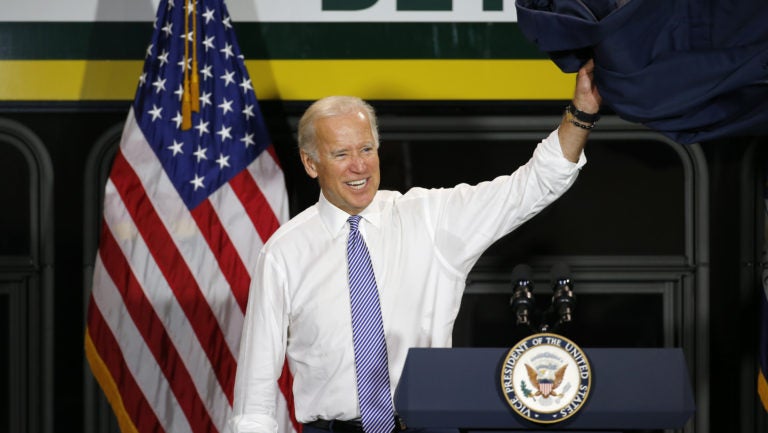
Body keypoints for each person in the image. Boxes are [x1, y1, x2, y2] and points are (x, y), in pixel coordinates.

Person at [229, 60, 602, 433]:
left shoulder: (431, 218)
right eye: (341, 155)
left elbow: (534, 185)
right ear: (311, 164)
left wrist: (581, 113)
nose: (359, 167)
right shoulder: (284, 252)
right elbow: (256, 391)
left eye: (366, 149)